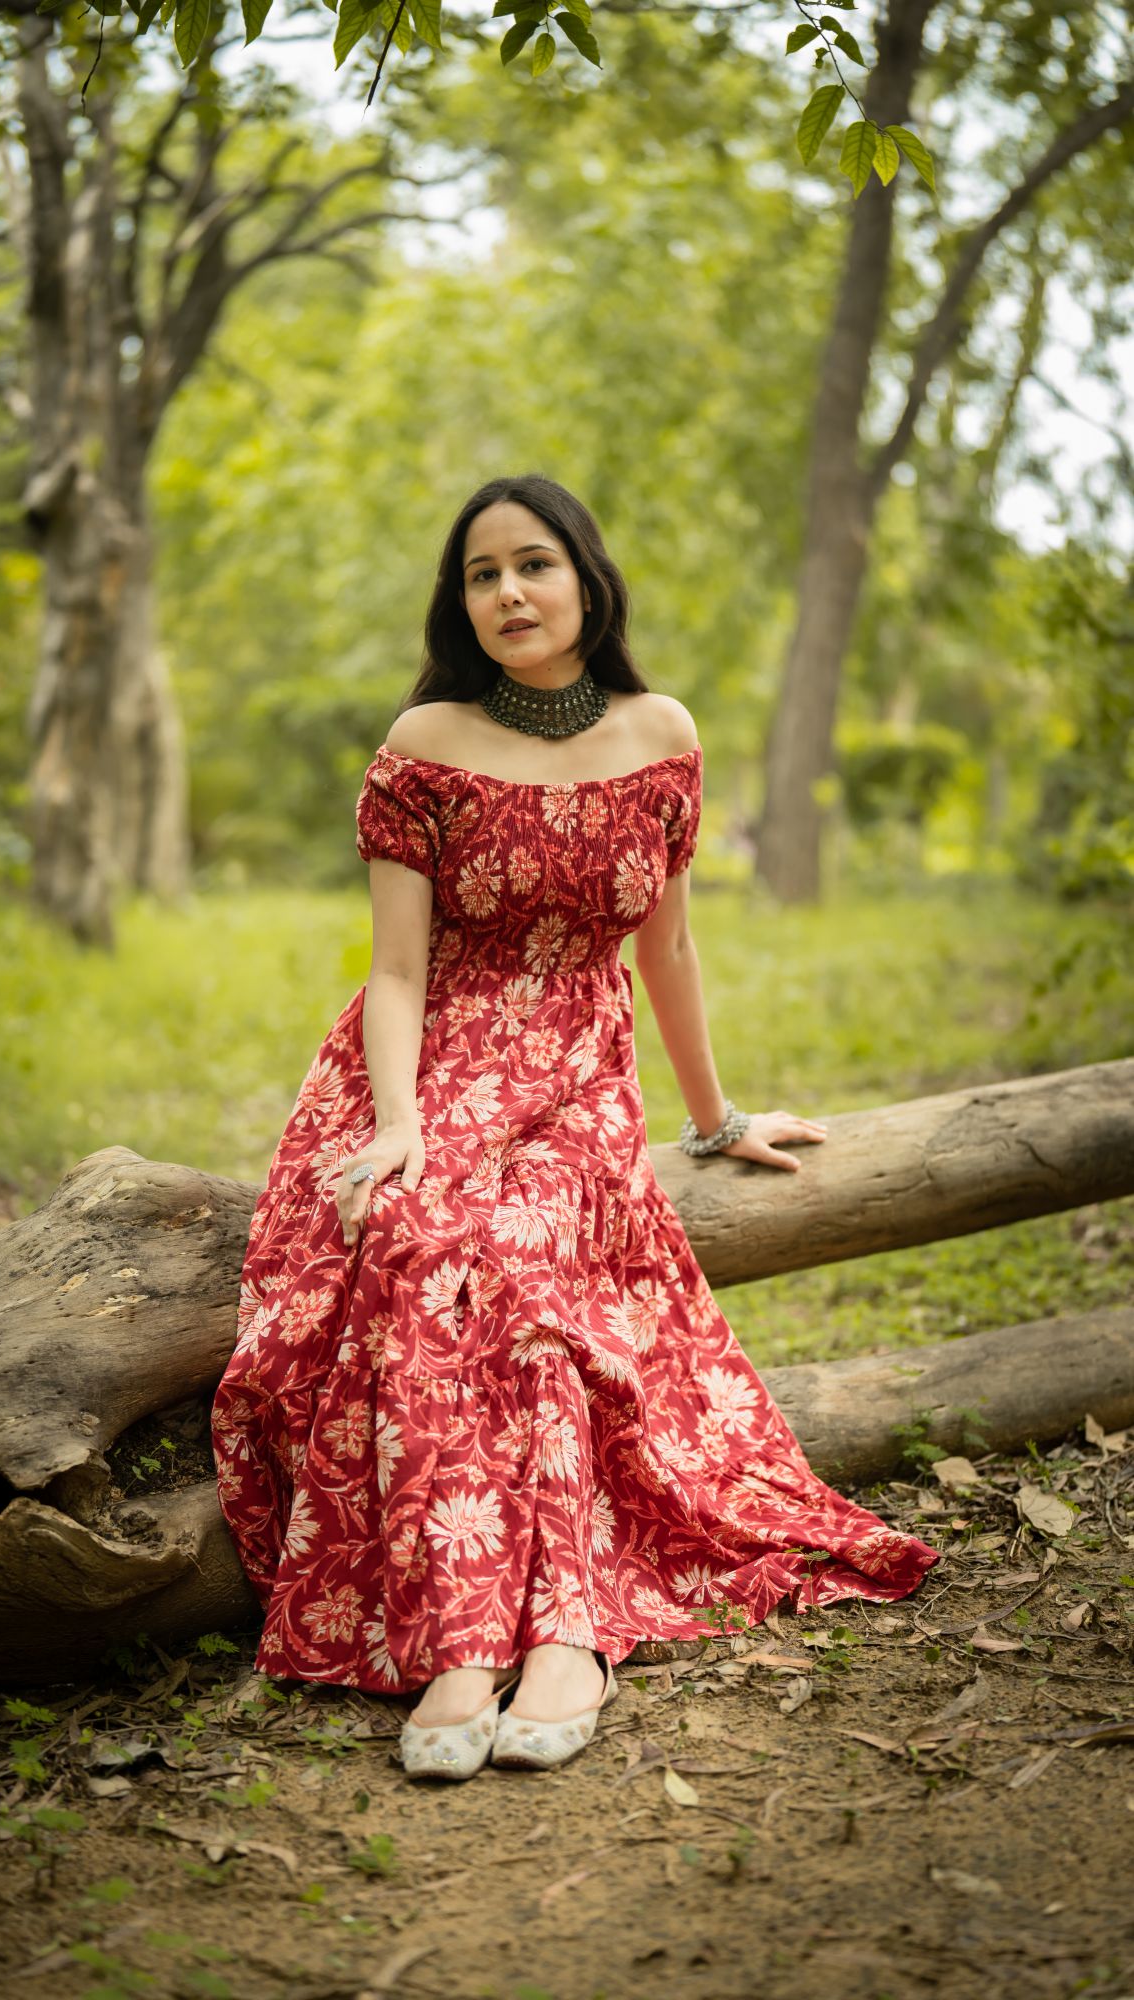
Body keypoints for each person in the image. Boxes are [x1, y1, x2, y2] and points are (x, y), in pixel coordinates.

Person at [211, 474, 941, 1783]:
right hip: (425, 1056)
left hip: (573, 1068)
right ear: (461, 603)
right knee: (428, 1236)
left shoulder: (658, 733)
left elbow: (666, 948)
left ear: (587, 580)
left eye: (532, 564)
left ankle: (562, 1633)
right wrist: (393, 1126)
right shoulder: (424, 741)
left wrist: (713, 1124)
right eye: (480, 575)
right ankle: (454, 1639)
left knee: (532, 1254)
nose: (507, 594)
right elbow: (393, 973)